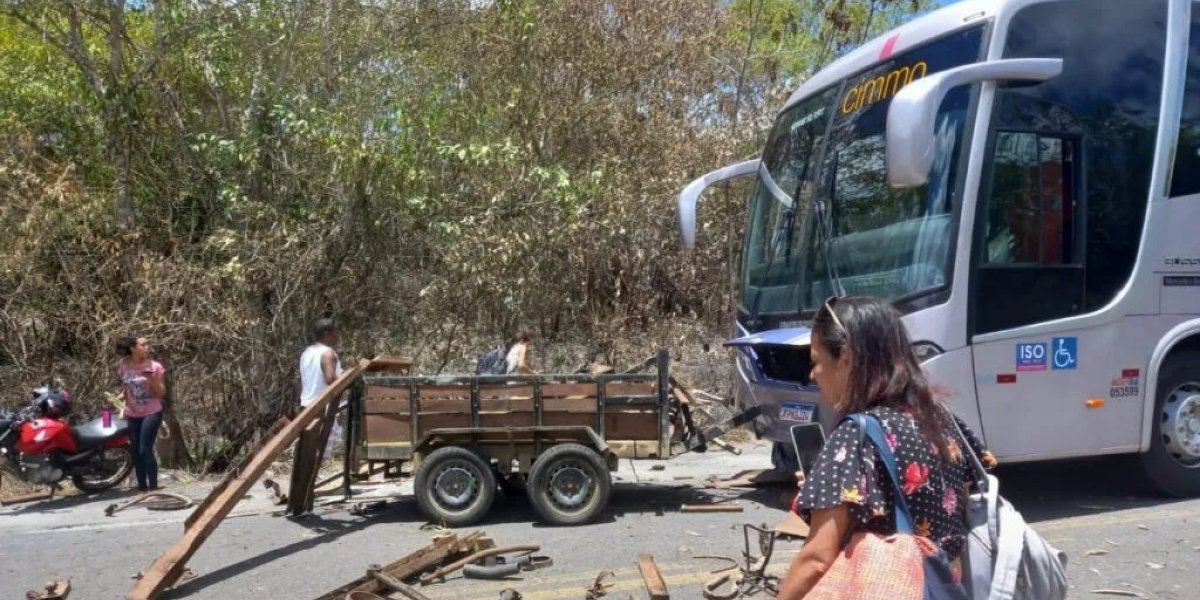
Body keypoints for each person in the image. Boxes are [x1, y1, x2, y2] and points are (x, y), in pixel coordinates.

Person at [777, 296, 998, 599]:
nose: (812, 374)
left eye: (816, 361)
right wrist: (827, 485)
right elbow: (943, 505)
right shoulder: (943, 419)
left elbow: (817, 560)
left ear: (846, 357)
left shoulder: (855, 435)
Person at [115, 335, 166, 492]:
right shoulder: (124, 365)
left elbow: (161, 393)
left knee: (145, 449)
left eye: (147, 344)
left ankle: (153, 486)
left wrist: (150, 378)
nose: (147, 347)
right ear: (132, 348)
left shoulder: (155, 366)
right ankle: (142, 486)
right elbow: (126, 387)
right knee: (136, 451)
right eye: (143, 345)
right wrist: (119, 397)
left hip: (152, 412)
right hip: (132, 413)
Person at [298, 318, 344, 454]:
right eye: (335, 333)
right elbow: (330, 379)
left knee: (312, 449)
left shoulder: (306, 353)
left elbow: (298, 381)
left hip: (307, 406)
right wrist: (348, 380)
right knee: (328, 449)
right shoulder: (328, 353)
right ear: (327, 334)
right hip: (324, 408)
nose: (337, 336)